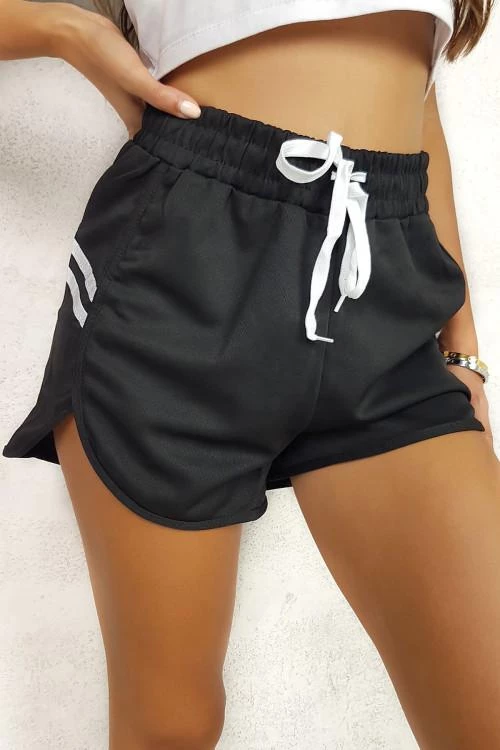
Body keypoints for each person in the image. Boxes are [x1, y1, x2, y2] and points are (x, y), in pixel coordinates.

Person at [1, 0, 499, 747]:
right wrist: (65, 29)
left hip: (385, 278)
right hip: (188, 262)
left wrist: (462, 347)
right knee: (170, 730)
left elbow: (416, 92)